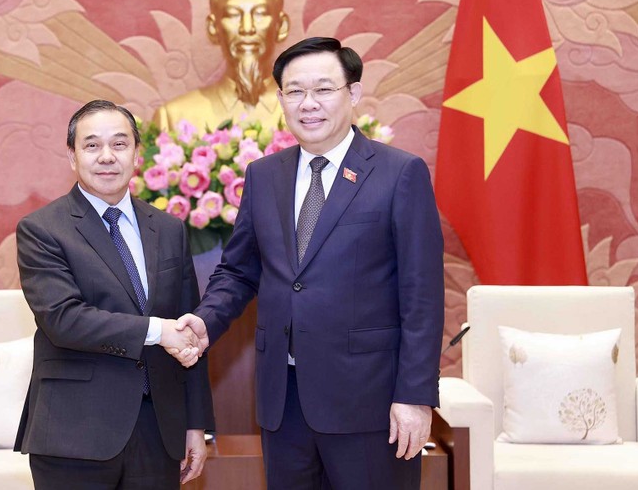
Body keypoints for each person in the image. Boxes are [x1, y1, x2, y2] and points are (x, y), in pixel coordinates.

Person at [177, 37, 445, 489]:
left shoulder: (400, 173)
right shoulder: (264, 175)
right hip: (285, 402)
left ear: (353, 95)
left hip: (371, 402)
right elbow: (240, 271)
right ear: (280, 99)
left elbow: (422, 294)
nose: (308, 104)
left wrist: (415, 396)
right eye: (294, 91)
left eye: (323, 89)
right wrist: (205, 322)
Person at [14, 100, 214, 489]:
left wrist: (196, 425)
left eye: (120, 144)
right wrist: (158, 331)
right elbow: (63, 319)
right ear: (72, 156)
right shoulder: (42, 229)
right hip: (74, 432)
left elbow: (191, 327)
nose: (107, 156)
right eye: (92, 146)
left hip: (158, 431)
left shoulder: (169, 229)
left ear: (138, 155)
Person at [153, 0, 290, 132]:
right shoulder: (173, 118)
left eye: (260, 13)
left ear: (281, 26)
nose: (247, 28)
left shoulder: (309, 115)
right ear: (213, 27)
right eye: (233, 15)